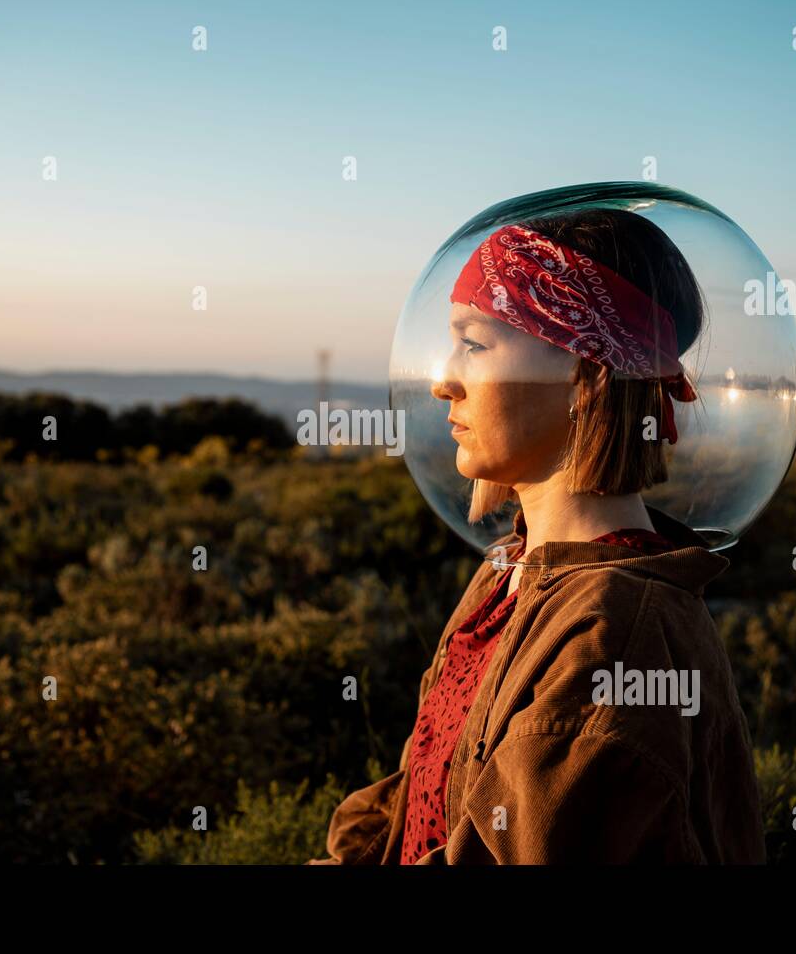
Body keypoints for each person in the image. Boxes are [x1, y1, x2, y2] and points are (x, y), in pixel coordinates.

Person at [308, 209, 767, 864]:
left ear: (583, 377)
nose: (442, 379)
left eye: (474, 345)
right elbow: (423, 805)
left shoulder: (610, 641)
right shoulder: (516, 571)